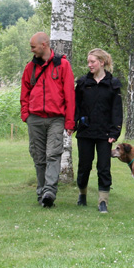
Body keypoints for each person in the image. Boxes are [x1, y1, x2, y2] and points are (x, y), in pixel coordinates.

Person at [20, 32, 75, 208]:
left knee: (53, 153)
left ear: (44, 45)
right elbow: (24, 92)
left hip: (55, 119)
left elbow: (69, 94)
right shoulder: (30, 67)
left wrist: (69, 122)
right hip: (34, 118)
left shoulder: (63, 65)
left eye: (33, 46)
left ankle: (49, 191)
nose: (31, 50)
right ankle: (42, 192)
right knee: (38, 156)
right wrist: (25, 115)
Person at [74, 48, 123, 213]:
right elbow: (76, 107)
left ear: (102, 62)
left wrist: (114, 132)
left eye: (93, 61)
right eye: (88, 62)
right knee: (84, 166)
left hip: (105, 134)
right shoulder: (82, 83)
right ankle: (82, 193)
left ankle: (103, 201)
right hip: (85, 132)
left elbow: (117, 111)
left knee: (104, 167)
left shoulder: (113, 84)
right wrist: (73, 124)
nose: (89, 65)